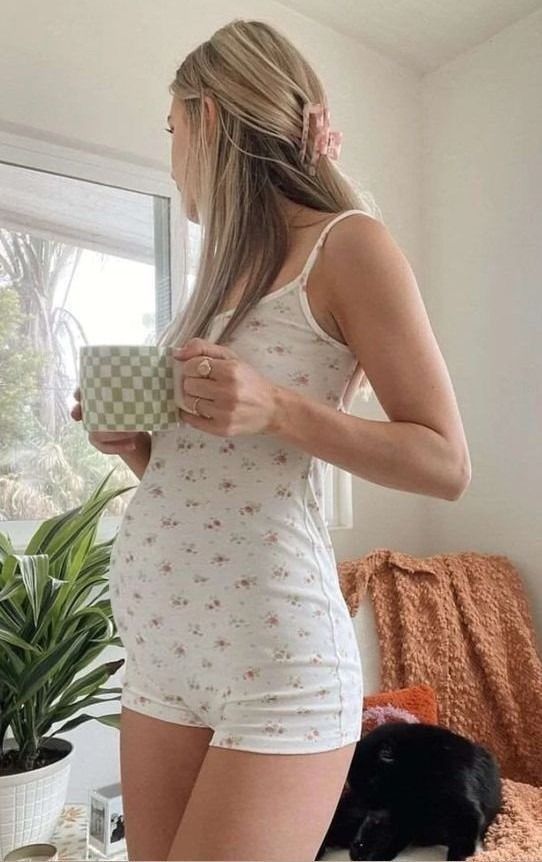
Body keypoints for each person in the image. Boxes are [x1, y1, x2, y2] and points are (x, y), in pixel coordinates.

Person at [71, 18, 471, 862]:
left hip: (274, 659)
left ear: (209, 118)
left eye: (171, 127)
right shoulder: (222, 271)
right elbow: (222, 479)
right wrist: (136, 448)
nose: (170, 146)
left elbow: (446, 462)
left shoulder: (347, 245)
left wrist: (277, 406)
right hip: (162, 658)